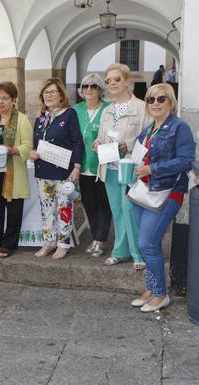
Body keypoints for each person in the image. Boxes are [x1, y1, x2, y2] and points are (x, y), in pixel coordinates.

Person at [131, 83, 195, 312]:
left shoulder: (179, 127)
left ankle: (161, 294)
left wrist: (153, 169)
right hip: (144, 192)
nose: (155, 104)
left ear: (170, 102)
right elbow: (138, 154)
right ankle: (152, 287)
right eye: (151, 99)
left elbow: (187, 160)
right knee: (150, 243)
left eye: (161, 99)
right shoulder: (149, 129)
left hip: (168, 192)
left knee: (146, 243)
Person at [94, 63, 147, 269]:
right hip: (109, 166)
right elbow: (101, 136)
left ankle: (138, 254)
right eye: (108, 81)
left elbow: (148, 136)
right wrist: (97, 143)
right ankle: (120, 251)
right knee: (116, 210)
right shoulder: (107, 110)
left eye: (117, 79)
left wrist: (129, 144)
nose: (112, 83)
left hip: (130, 167)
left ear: (127, 82)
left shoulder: (141, 107)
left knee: (129, 210)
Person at [29, 78, 83, 260]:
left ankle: (63, 244)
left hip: (63, 172)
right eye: (46, 92)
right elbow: (35, 142)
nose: (49, 95)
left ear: (61, 95)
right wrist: (32, 152)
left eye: (53, 92)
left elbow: (77, 142)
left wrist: (76, 167)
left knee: (64, 208)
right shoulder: (41, 117)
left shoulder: (70, 115)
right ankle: (49, 242)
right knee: (46, 210)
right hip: (43, 171)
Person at [0, 81, 33, 258]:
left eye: (5, 98)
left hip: (14, 171)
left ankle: (8, 244)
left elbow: (28, 146)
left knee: (14, 209)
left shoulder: (22, 120)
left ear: (14, 100)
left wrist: (13, 150)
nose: (0, 102)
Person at [73, 74, 112, 257]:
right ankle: (96, 236)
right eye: (86, 86)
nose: (89, 89)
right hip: (82, 165)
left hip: (103, 164)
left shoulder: (108, 109)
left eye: (94, 86)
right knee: (89, 202)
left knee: (103, 202)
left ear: (100, 90)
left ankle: (100, 240)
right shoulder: (76, 110)